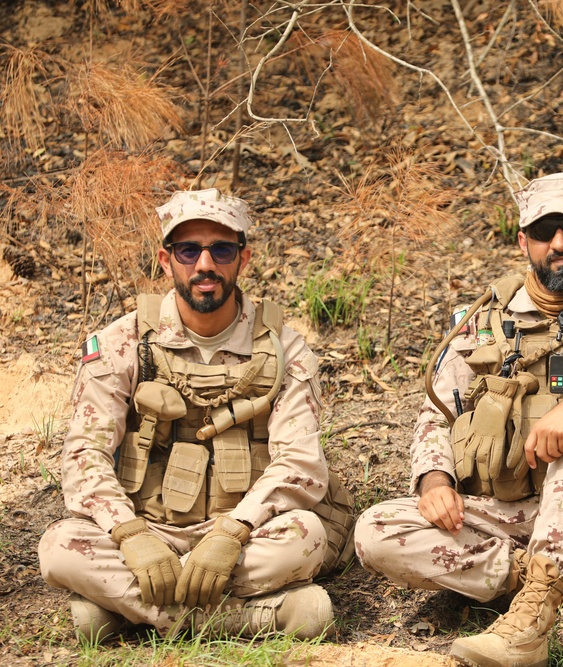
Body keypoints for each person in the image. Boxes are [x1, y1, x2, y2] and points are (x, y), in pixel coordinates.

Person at [354, 173, 563, 667]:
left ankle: (528, 628)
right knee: (376, 529)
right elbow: (438, 410)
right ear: (523, 241)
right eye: (543, 231)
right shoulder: (487, 318)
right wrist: (433, 478)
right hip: (509, 515)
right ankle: (553, 581)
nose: (559, 243)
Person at [38, 189, 355, 644]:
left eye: (220, 249)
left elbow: (300, 465)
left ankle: (126, 612)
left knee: (304, 536)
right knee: (59, 548)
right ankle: (261, 618)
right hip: (144, 527)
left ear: (242, 259)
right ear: (167, 261)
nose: (205, 264)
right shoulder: (122, 343)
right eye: (189, 250)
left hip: (246, 534)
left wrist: (233, 532)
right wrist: (129, 534)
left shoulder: (285, 350)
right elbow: (85, 453)